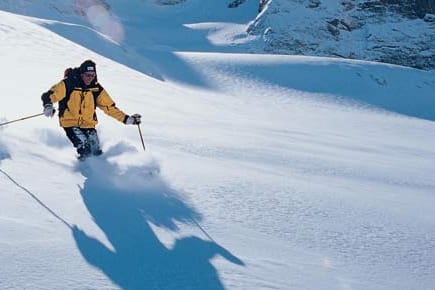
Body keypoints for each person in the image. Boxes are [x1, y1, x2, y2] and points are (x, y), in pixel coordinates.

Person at [41, 59, 142, 160]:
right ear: (81, 74)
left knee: (95, 151)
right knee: (85, 148)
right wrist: (48, 105)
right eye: (87, 75)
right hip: (70, 123)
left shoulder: (96, 88)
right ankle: (84, 169)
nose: (90, 78)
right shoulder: (68, 83)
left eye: (92, 75)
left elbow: (109, 107)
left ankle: (99, 171)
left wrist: (127, 119)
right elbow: (51, 94)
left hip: (88, 124)